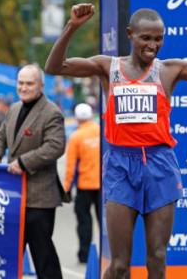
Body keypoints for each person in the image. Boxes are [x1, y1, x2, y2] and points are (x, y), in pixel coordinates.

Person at [45, 3, 187, 278]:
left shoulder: (169, 70)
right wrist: (72, 26)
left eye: (158, 38)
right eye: (146, 38)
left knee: (157, 258)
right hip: (121, 166)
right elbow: (54, 67)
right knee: (120, 264)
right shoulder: (107, 67)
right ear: (130, 34)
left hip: (160, 165)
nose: (153, 44)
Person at [0, 64, 66, 279]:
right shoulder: (14, 108)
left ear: (41, 86)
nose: (24, 88)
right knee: (7, 254)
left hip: (39, 199)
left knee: (43, 256)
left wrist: (24, 162)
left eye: (29, 83)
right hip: (11, 197)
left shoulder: (52, 112)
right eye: (20, 83)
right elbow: (1, 136)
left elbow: (55, 146)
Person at [64, 102, 101, 263]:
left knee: (84, 222)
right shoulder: (102, 131)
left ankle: (84, 255)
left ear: (77, 118)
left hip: (84, 185)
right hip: (104, 185)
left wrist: (66, 189)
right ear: (92, 115)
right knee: (105, 222)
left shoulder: (76, 137)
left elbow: (70, 166)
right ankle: (110, 253)